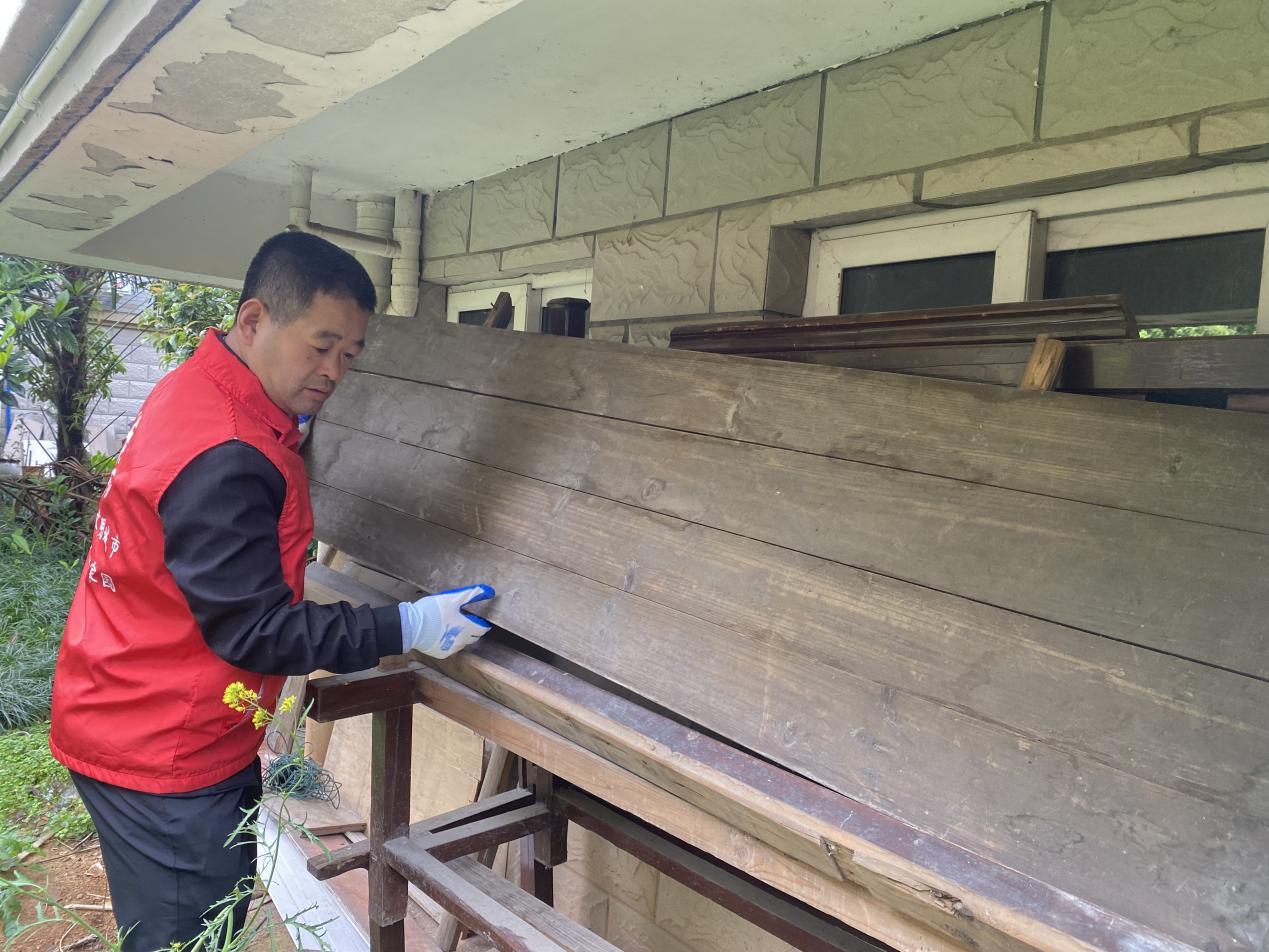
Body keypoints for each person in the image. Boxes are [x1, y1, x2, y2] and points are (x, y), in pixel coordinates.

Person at [48, 231, 494, 951]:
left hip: (123, 699)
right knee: (191, 939)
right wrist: (405, 626)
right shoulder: (229, 452)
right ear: (253, 320)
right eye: (320, 346)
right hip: (165, 748)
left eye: (350, 355)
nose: (333, 372)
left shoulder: (198, 390)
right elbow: (257, 631)